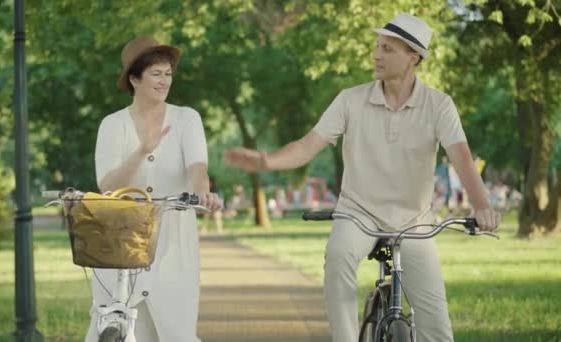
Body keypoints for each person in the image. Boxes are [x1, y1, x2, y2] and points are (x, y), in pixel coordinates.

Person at [225, 12, 499, 342]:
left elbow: (461, 157)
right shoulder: (350, 100)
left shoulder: (439, 105)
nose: (376, 55)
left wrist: (482, 205)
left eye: (387, 49)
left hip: (415, 220)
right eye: (377, 46)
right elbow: (308, 146)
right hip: (358, 213)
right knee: (339, 255)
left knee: (437, 328)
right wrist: (266, 161)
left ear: (413, 57)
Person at [89, 36, 221, 342]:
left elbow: (197, 167)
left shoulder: (187, 119)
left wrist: (203, 193)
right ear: (134, 78)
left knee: (177, 330)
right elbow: (107, 185)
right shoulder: (112, 124)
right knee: (113, 324)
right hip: (121, 238)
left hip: (173, 237)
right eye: (156, 74)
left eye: (168, 74)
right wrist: (140, 152)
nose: (165, 81)